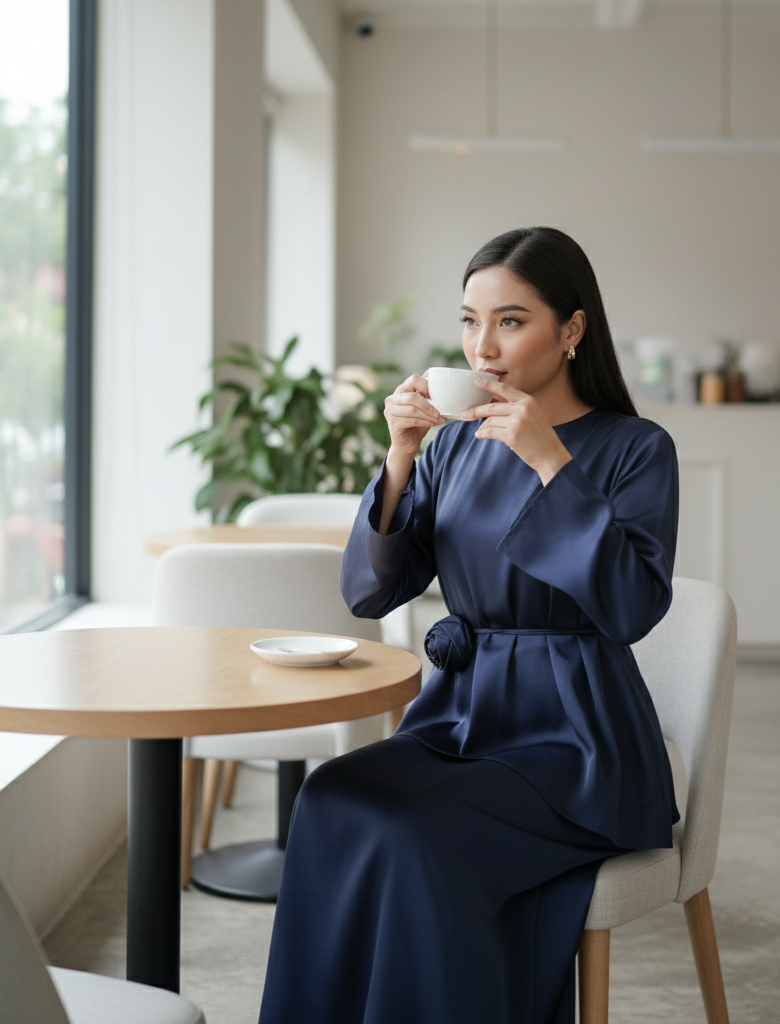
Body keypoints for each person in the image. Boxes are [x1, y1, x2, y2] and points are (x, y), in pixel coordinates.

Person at [258, 227, 680, 1024]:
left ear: (572, 330)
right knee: (332, 798)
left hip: (578, 741)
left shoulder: (636, 449)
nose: (482, 347)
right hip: (460, 717)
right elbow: (371, 592)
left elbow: (632, 608)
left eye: (511, 321)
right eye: (468, 321)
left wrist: (551, 462)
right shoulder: (452, 448)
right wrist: (401, 456)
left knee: (422, 833)